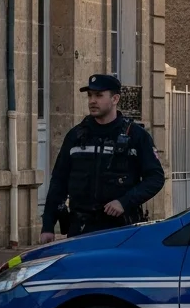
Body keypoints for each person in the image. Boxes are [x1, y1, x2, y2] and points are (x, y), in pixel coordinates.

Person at [40, 74, 165, 243]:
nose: (92, 100)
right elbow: (59, 182)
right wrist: (48, 226)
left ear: (115, 99)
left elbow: (155, 178)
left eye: (99, 95)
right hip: (80, 229)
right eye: (90, 95)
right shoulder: (76, 136)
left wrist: (124, 202)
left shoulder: (135, 136)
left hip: (120, 229)